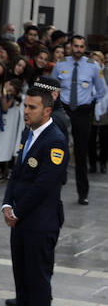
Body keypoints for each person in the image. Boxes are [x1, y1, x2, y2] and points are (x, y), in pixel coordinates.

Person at [0, 81, 68, 306]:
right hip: (22, 219)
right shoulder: (29, 133)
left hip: (40, 221)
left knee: (37, 279)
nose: (26, 111)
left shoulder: (55, 141)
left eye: (32, 107)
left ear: (46, 111)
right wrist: (6, 204)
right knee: (22, 275)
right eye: (25, 106)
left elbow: (44, 185)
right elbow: (17, 172)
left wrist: (17, 210)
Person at [50, 36, 108, 205]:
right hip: (64, 110)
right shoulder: (61, 64)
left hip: (82, 112)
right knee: (58, 149)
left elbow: (102, 90)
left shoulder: (92, 66)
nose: (78, 49)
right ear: (71, 47)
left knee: (81, 153)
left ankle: (83, 193)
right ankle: (55, 187)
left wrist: (91, 102)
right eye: (75, 46)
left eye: (81, 46)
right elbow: (53, 85)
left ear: (85, 48)